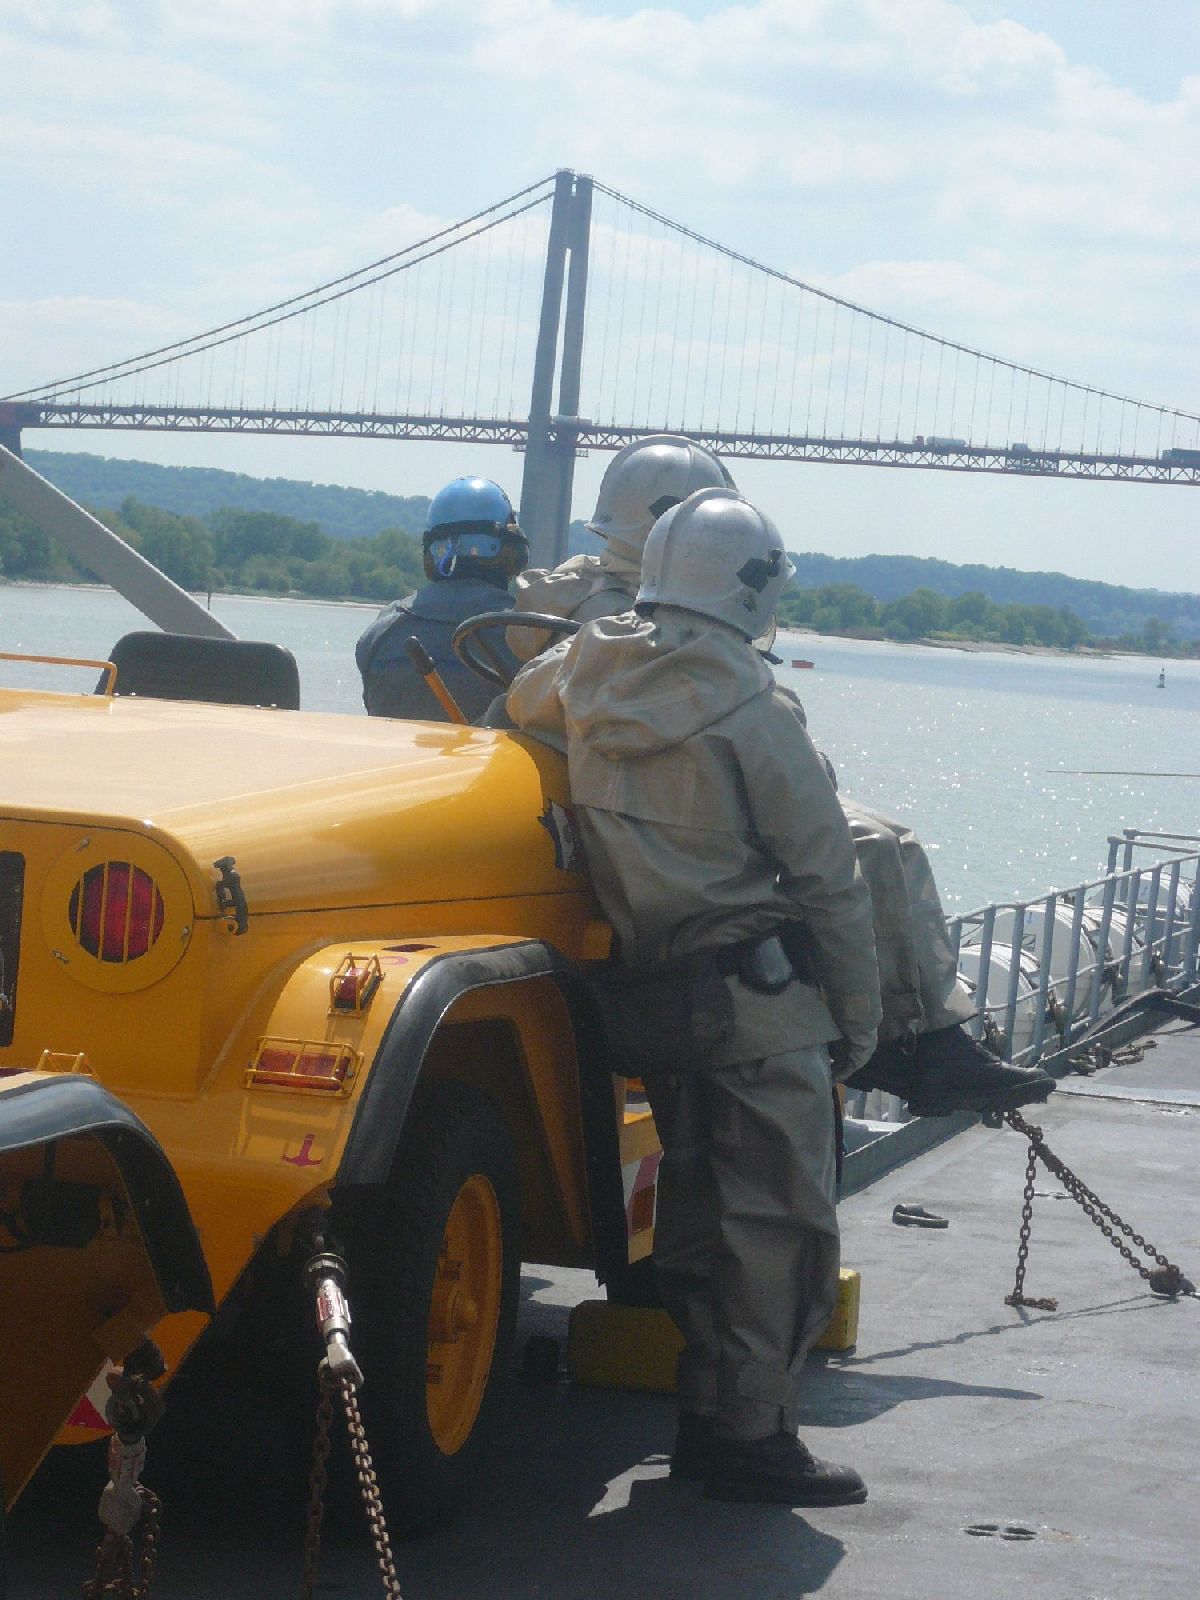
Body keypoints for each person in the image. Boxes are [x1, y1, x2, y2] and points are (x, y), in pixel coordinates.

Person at [508, 487, 879, 1505]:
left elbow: (514, 712)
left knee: (702, 1215)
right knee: (781, 1229)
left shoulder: (580, 666)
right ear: (753, 588)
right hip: (765, 1007)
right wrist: (861, 1019)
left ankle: (707, 1413)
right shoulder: (755, 710)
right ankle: (748, 1431)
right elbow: (830, 879)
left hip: (664, 997)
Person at [510, 434, 1053, 1118]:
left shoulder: (582, 609)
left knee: (885, 840)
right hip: (671, 788)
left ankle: (928, 1036)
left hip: (623, 779)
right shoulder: (658, 632)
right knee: (880, 846)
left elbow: (526, 700)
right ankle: (911, 1040)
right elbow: (806, 834)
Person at [356, 476, 527, 724]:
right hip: (486, 763)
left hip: (398, 762)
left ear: (432, 550)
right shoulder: (528, 635)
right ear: (512, 551)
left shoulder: (382, 630)